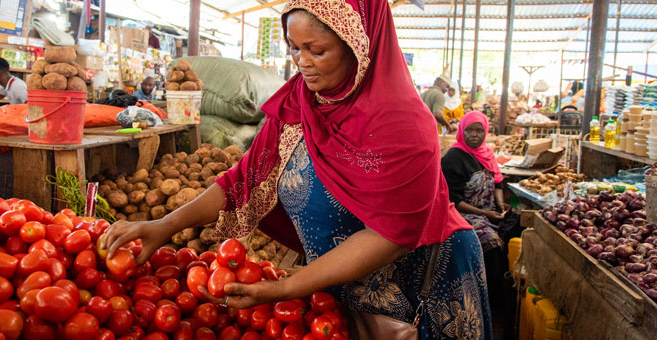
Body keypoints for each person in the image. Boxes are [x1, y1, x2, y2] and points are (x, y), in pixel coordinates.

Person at [102, 0, 492, 339]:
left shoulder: (405, 126)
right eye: (294, 48)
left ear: (359, 48)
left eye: (316, 50)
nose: (302, 62)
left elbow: (389, 235)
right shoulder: (300, 104)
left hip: (425, 284)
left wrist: (286, 288)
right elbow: (244, 180)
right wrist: (165, 225)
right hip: (345, 287)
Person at [440, 111, 522, 339]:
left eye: (479, 131)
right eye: (470, 130)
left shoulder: (486, 153)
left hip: (488, 212)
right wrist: (484, 213)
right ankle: (489, 301)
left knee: (516, 228)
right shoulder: (453, 158)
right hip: (464, 214)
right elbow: (454, 199)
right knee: (492, 243)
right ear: (461, 131)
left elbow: (497, 181)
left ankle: (508, 295)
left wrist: (500, 206)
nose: (475, 135)